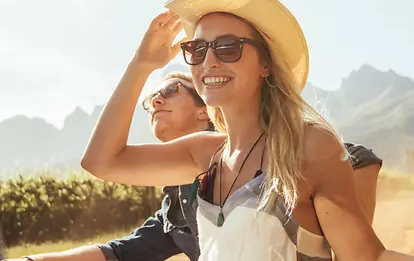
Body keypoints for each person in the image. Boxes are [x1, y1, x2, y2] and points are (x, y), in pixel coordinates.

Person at [79, 0, 414, 261]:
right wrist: (142, 64)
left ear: (265, 65)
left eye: (228, 47)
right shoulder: (205, 153)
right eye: (197, 50)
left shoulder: (310, 147)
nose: (208, 61)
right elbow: (102, 161)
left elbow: (368, 257)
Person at [8, 72, 382, 261]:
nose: (155, 100)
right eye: (151, 99)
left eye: (169, 91)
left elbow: (357, 156)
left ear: (204, 107)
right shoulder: (174, 210)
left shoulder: (266, 149)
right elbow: (120, 252)